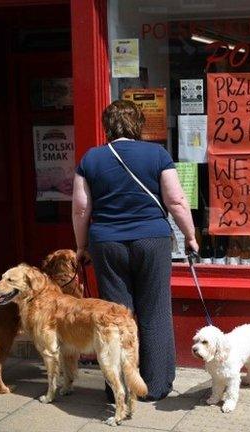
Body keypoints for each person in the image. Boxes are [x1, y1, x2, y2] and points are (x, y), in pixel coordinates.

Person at [72, 99, 198, 401]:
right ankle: (155, 386)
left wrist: (81, 246)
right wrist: (191, 236)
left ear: (107, 127)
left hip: (107, 243)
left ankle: (120, 387)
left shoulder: (91, 159)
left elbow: (80, 208)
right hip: (151, 240)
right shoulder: (157, 154)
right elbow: (177, 201)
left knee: (116, 316)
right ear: (137, 124)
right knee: (155, 311)